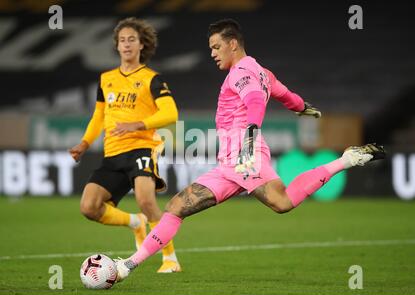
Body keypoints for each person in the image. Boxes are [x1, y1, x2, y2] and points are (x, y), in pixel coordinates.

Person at [113, 18, 385, 281]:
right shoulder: (263, 72)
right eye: (210, 48)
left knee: (282, 202)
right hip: (230, 163)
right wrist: (303, 107)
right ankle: (127, 265)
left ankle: (347, 159)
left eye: (216, 47)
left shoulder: (242, 73)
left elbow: (255, 101)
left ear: (233, 44)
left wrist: (249, 139)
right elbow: (285, 94)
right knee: (175, 207)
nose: (212, 53)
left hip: (245, 155)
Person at [69, 17, 182, 273]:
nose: (127, 44)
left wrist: (138, 125)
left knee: (145, 199)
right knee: (89, 207)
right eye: (122, 40)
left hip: (142, 147)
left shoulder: (152, 79)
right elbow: (99, 116)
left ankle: (170, 259)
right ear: (117, 46)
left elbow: (171, 113)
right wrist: (85, 143)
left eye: (132, 39)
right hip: (113, 153)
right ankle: (136, 222)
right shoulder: (106, 79)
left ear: (142, 45)